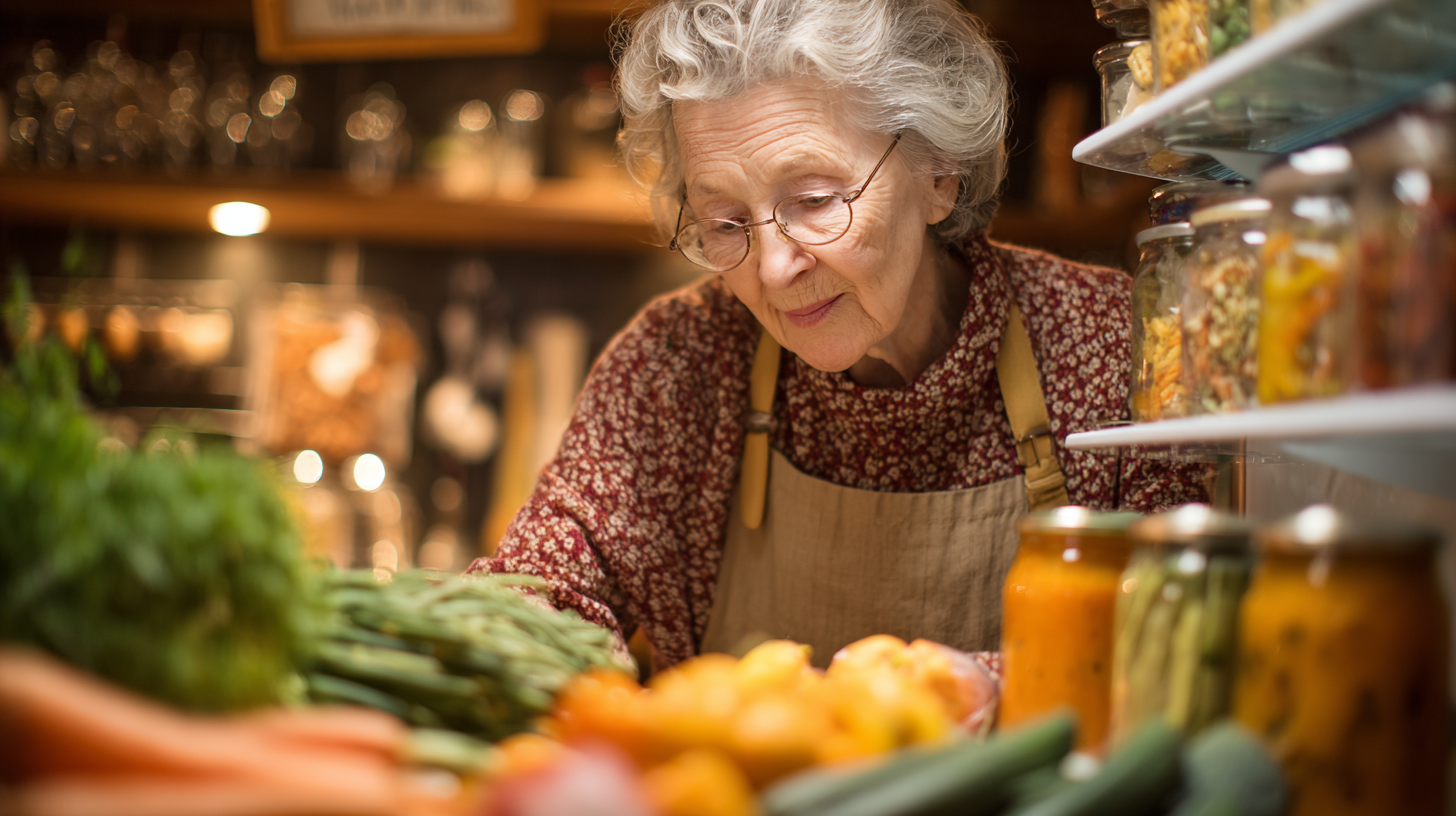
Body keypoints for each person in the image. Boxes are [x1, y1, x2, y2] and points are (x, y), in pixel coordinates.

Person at [468, 0, 1208, 671]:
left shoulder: (1121, 352)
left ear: (937, 172)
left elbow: (1185, 647)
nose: (775, 268)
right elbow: (543, 592)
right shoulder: (679, 364)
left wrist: (971, 692)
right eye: (725, 221)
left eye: (816, 201)